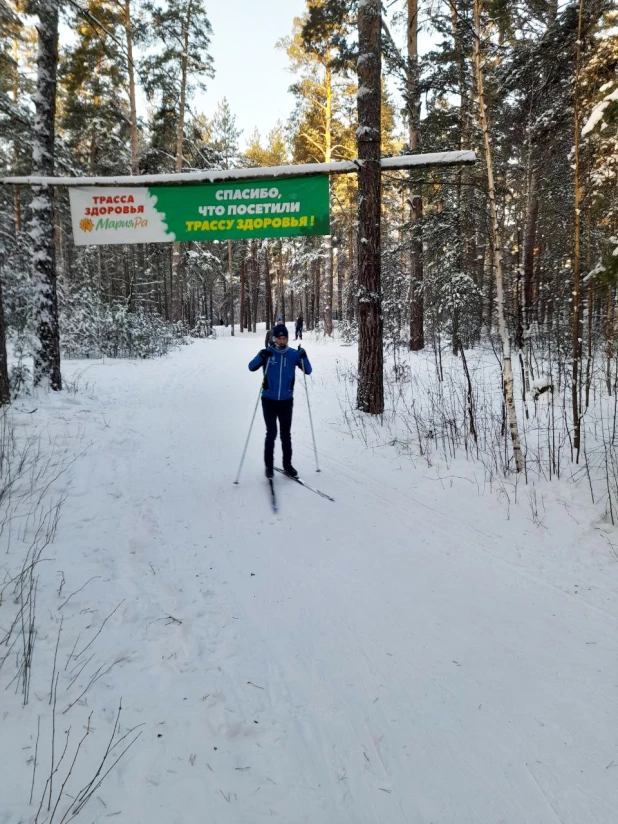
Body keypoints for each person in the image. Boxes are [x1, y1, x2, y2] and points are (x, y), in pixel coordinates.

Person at [248, 324, 312, 479]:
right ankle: (268, 467)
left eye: (284, 338)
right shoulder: (268, 353)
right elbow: (251, 367)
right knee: (271, 433)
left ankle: (287, 465)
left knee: (285, 435)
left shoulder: (292, 354)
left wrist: (304, 356)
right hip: (268, 400)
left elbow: (308, 370)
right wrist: (261, 356)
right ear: (274, 339)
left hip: (286, 400)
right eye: (279, 338)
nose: (282, 341)